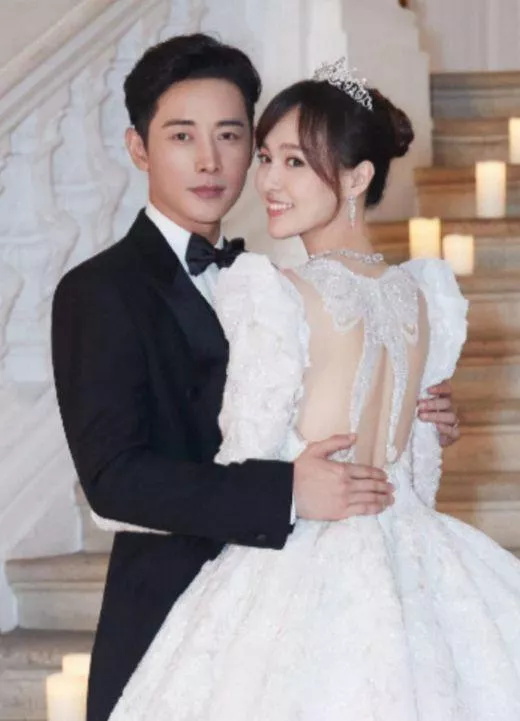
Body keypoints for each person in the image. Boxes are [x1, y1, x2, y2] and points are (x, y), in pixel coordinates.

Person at [51, 37, 460, 721]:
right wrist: (285, 492)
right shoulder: (100, 290)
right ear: (138, 148)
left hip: (322, 608)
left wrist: (416, 408)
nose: (210, 160)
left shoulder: (279, 279)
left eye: (232, 136)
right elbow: (113, 480)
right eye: (182, 136)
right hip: (177, 618)